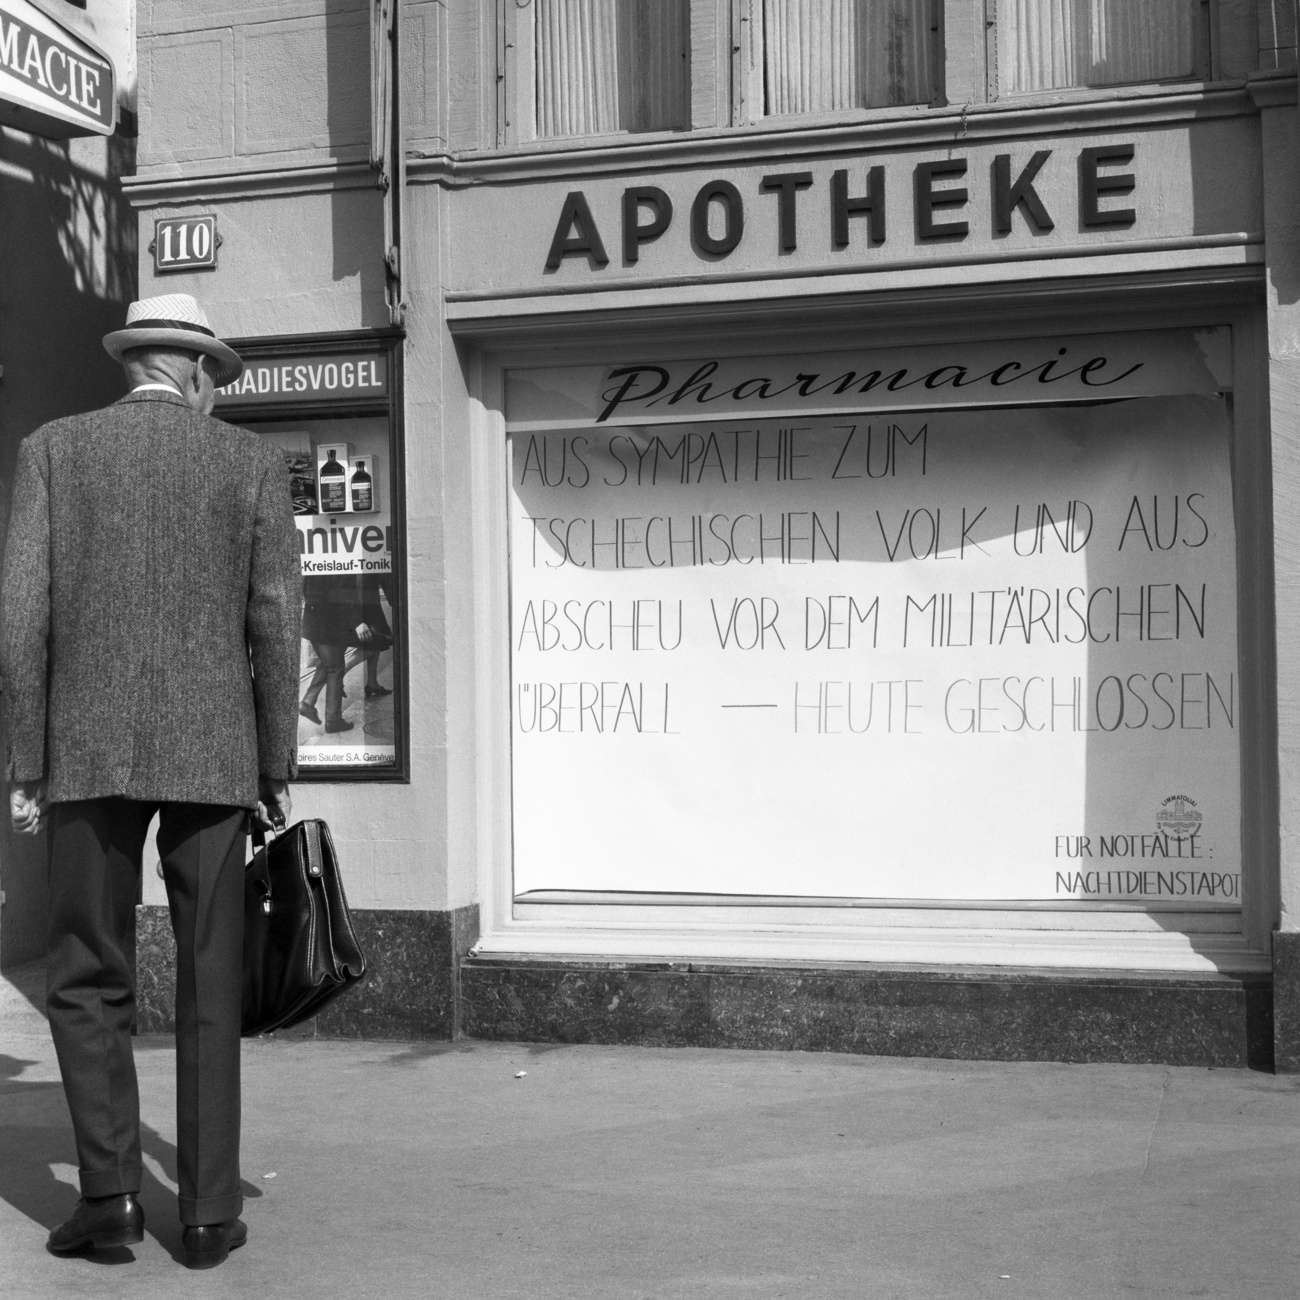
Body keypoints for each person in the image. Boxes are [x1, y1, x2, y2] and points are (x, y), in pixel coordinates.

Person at [0, 293, 302, 1270]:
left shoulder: (54, 449)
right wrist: (272, 763)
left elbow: (19, 618)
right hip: (214, 752)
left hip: (86, 748)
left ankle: (112, 1198)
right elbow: (274, 623)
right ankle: (208, 1215)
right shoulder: (247, 463)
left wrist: (28, 758)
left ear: (137, 365)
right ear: (199, 373)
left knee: (85, 972)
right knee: (212, 971)